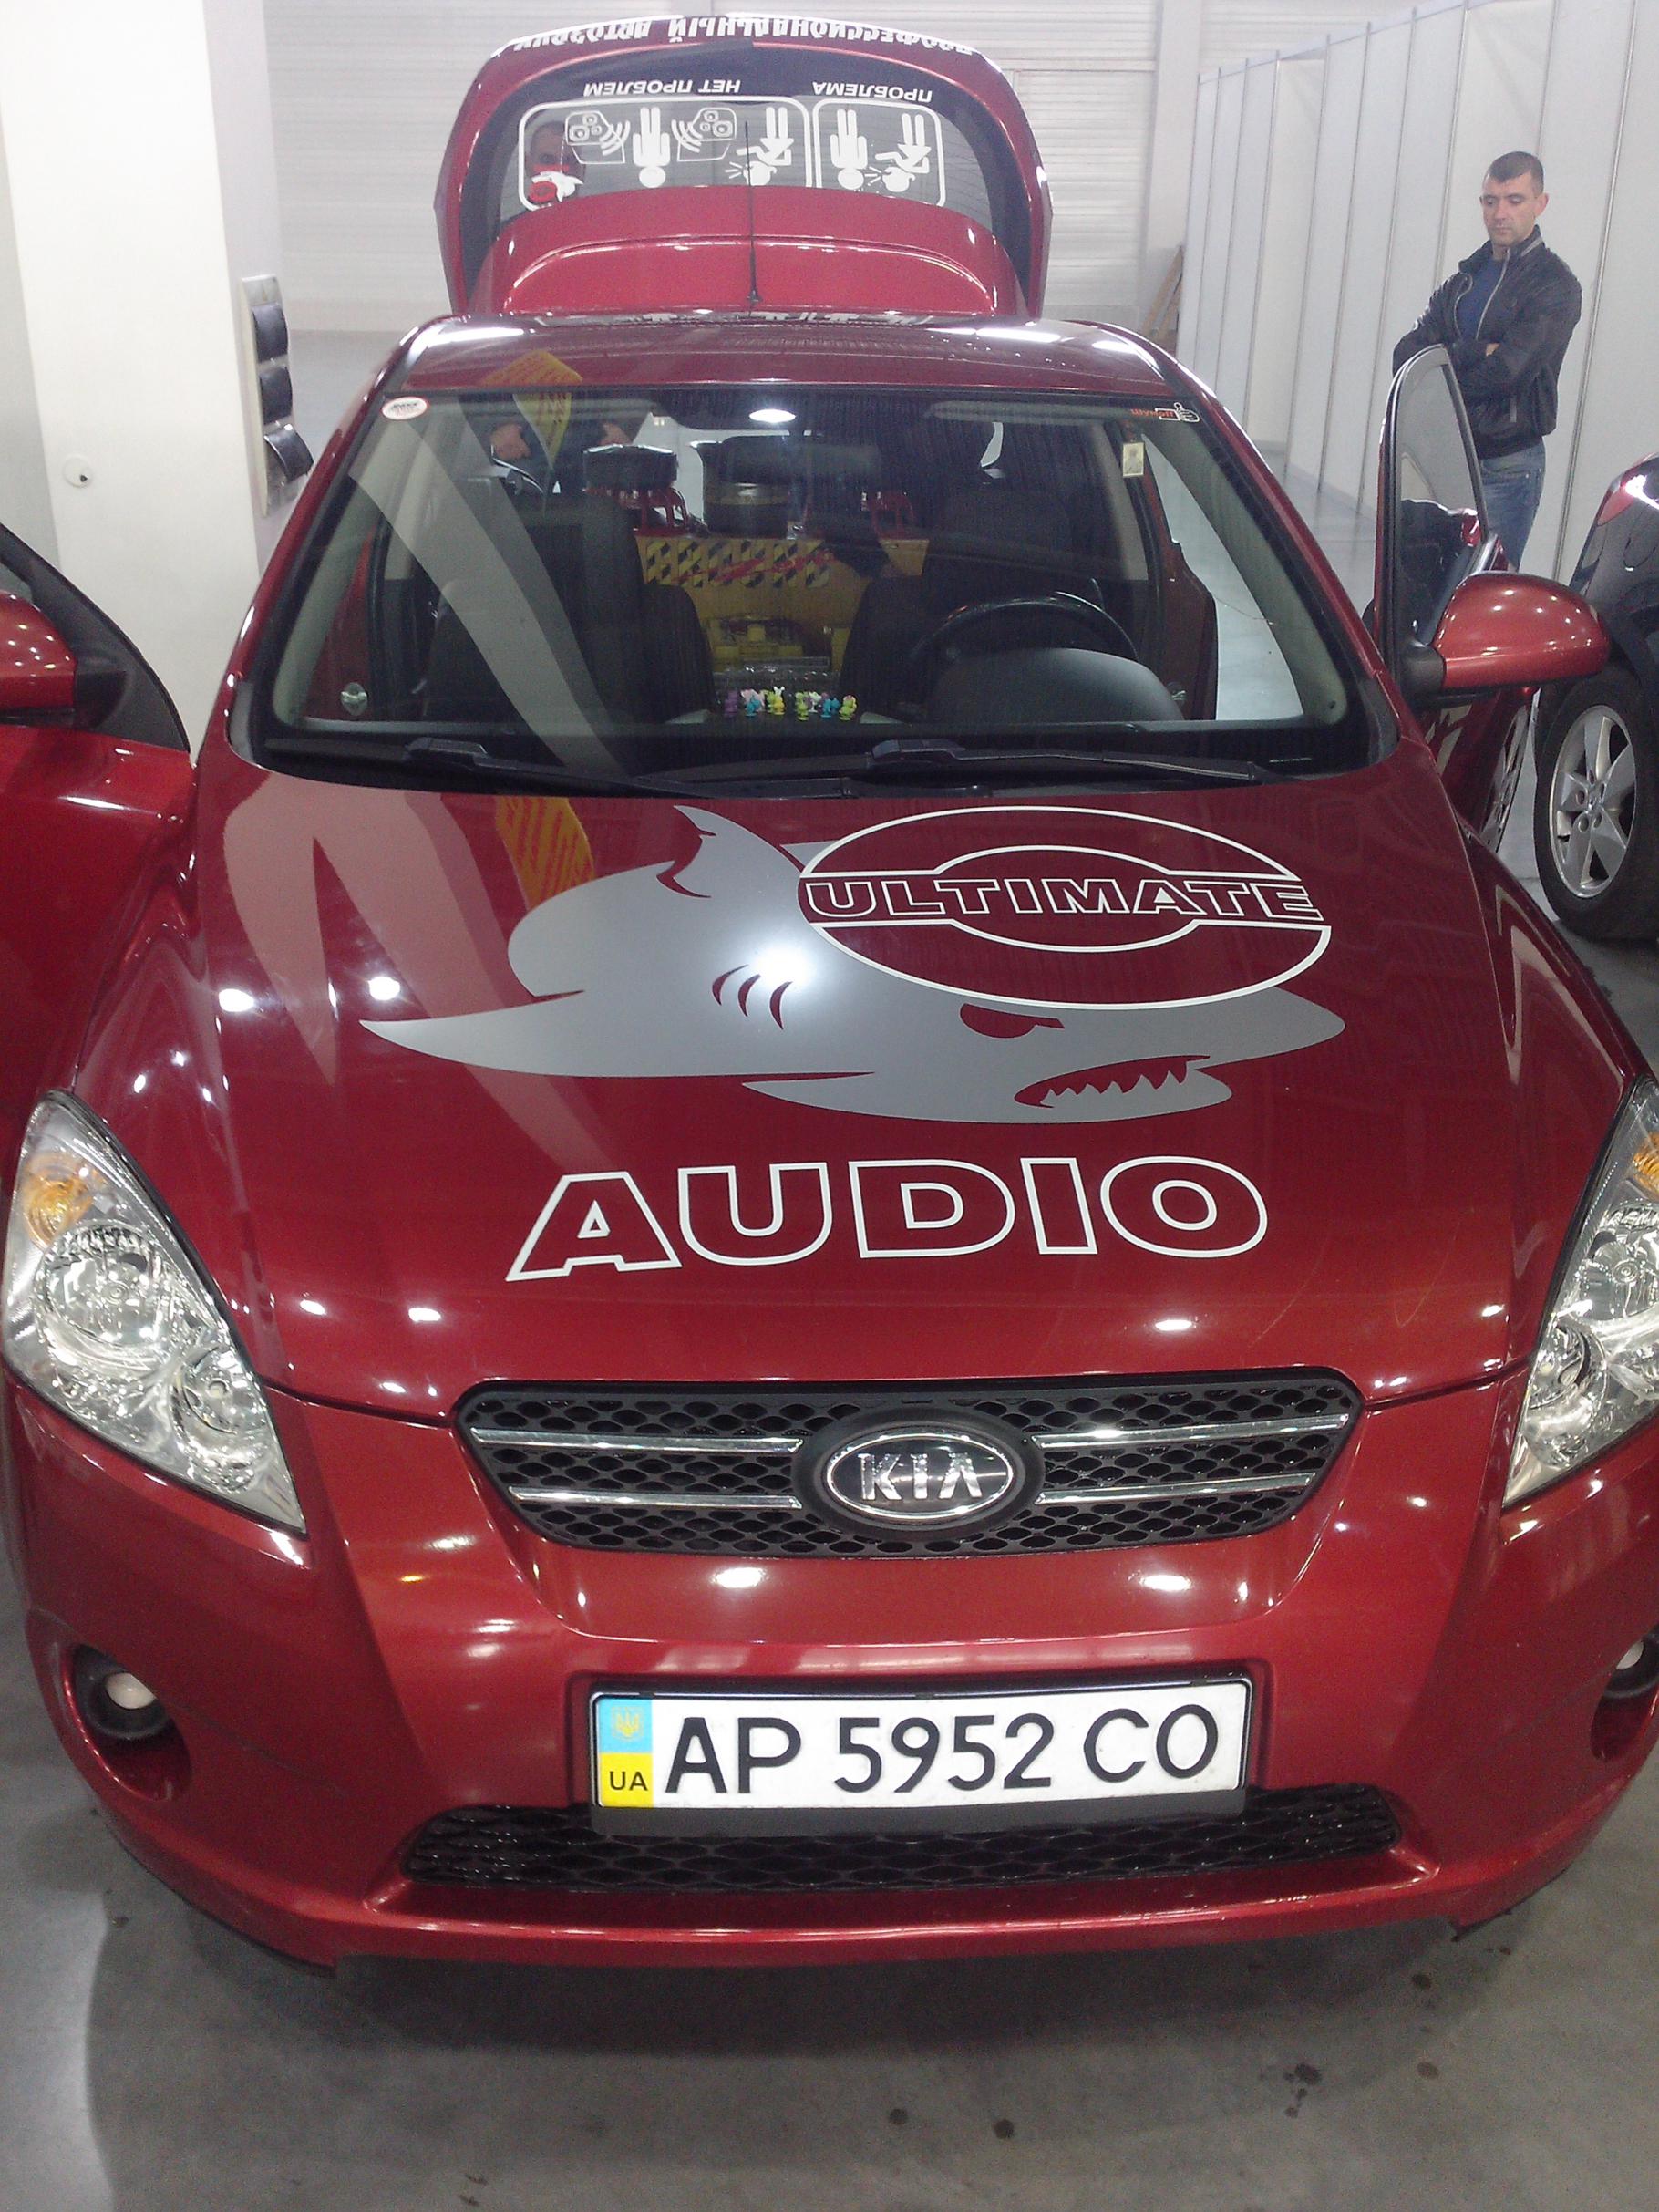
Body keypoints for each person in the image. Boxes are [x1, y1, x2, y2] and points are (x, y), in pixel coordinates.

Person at [1392, 151, 1582, 568]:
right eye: (1490, 200)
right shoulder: (1464, 280)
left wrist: (1442, 368)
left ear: (1540, 203)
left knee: (1486, 586)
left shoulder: (1554, 286)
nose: (1500, 213)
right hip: (1446, 456)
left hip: (1507, 465)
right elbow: (1405, 355)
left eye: (1514, 200)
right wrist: (1474, 350)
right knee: (1431, 580)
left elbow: (1506, 374)